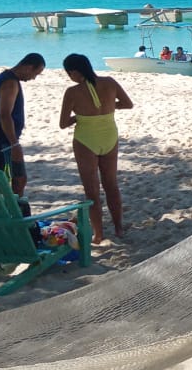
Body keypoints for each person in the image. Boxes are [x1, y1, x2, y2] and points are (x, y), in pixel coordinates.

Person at [59, 54, 133, 243]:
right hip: (109, 136)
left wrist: (79, 117)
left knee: (91, 190)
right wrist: (109, 107)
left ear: (73, 72)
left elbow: (63, 123)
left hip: (86, 139)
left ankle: (99, 234)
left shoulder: (72, 92)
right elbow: (128, 104)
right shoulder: (110, 82)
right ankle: (118, 228)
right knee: (111, 185)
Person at [0, 53, 46, 196]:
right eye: (35, 73)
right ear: (28, 67)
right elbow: (5, 115)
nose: (33, 78)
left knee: (4, 181)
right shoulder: (10, 82)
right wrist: (14, 143)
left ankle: (8, 207)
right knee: (16, 180)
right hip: (2, 140)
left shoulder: (3, 77)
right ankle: (14, 208)